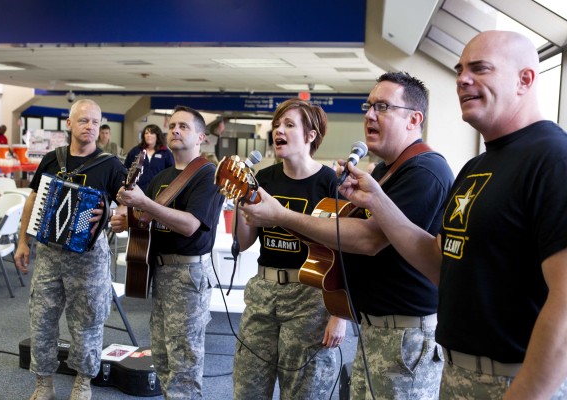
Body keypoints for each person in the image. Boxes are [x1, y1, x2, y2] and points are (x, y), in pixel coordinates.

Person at [339, 31, 567, 399]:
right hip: (457, 374)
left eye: (480, 69)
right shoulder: (476, 167)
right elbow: (438, 262)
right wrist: (377, 200)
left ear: (525, 80)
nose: (462, 79)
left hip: (516, 380)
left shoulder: (553, 158)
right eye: (460, 69)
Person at [239, 75, 454, 399]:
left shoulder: (424, 170)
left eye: (382, 107)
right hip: (374, 325)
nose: (369, 114)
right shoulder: (383, 172)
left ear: (414, 118)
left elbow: (369, 240)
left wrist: (281, 215)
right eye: (368, 106)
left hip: (404, 331)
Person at [231, 98, 346, 399]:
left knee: (302, 392)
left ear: (311, 136)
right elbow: (244, 243)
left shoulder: (330, 182)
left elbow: (346, 252)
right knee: (248, 389)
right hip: (263, 294)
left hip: (310, 297)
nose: (278, 131)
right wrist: (241, 202)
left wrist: (340, 315)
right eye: (276, 125)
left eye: (289, 125)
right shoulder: (263, 179)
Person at [14, 99, 127, 400]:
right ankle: (44, 383)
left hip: (89, 258)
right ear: (69, 124)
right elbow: (33, 198)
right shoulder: (53, 159)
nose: (90, 127)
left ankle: (83, 381)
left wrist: (118, 217)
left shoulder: (111, 165)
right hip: (49, 253)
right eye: (83, 121)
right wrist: (23, 240)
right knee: (41, 320)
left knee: (87, 323)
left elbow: (128, 202)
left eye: (95, 122)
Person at [111, 106, 224, 399]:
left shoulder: (207, 175)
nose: (175, 130)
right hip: (160, 273)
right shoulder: (161, 177)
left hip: (188, 276)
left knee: (184, 365)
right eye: (172, 125)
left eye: (184, 126)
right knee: (162, 358)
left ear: (201, 136)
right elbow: (146, 220)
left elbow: (189, 225)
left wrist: (145, 204)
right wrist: (126, 220)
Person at [123, 124, 174, 193]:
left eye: (152, 133)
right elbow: (126, 169)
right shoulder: (136, 151)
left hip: (158, 192)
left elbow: (171, 172)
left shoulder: (165, 153)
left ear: (157, 136)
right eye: (146, 133)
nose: (148, 135)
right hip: (137, 191)